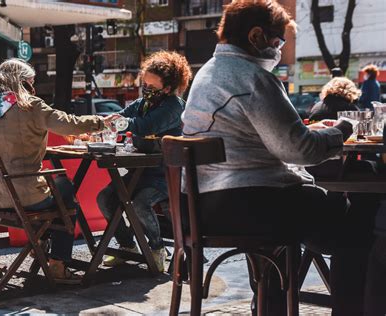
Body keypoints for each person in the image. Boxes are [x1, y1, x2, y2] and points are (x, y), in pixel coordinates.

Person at [182, 1, 373, 315]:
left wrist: (311, 130)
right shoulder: (252, 77)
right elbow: (299, 150)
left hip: (207, 204)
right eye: (277, 41)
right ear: (256, 36)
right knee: (358, 224)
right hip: (251, 203)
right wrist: (342, 129)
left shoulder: (208, 73)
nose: (279, 50)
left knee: (288, 230)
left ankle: (271, 308)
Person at [0, 58, 117, 283]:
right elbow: (68, 124)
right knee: (66, 191)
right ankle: (58, 265)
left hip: (1, 198)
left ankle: (40, 242)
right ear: (23, 82)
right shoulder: (30, 105)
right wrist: (101, 122)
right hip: (28, 197)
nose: (34, 85)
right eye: (31, 81)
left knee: (59, 194)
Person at [96, 51, 192, 272]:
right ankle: (128, 246)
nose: (146, 89)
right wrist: (102, 123)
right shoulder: (143, 103)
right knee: (105, 198)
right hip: (141, 171)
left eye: (151, 86)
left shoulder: (174, 106)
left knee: (140, 203)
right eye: (144, 83)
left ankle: (156, 249)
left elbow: (144, 126)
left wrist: (119, 123)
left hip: (167, 174)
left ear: (167, 88)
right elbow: (121, 116)